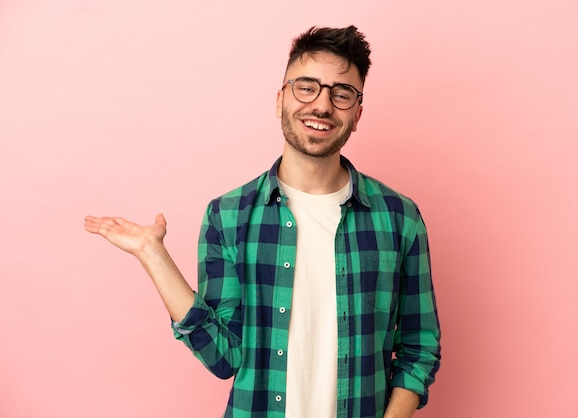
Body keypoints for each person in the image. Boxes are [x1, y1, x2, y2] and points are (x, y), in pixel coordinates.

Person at [84, 25, 441, 418]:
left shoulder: (398, 217)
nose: (322, 105)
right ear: (280, 99)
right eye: (306, 87)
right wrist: (154, 256)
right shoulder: (228, 215)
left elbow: (419, 347)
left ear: (357, 115)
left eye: (341, 94)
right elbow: (224, 356)